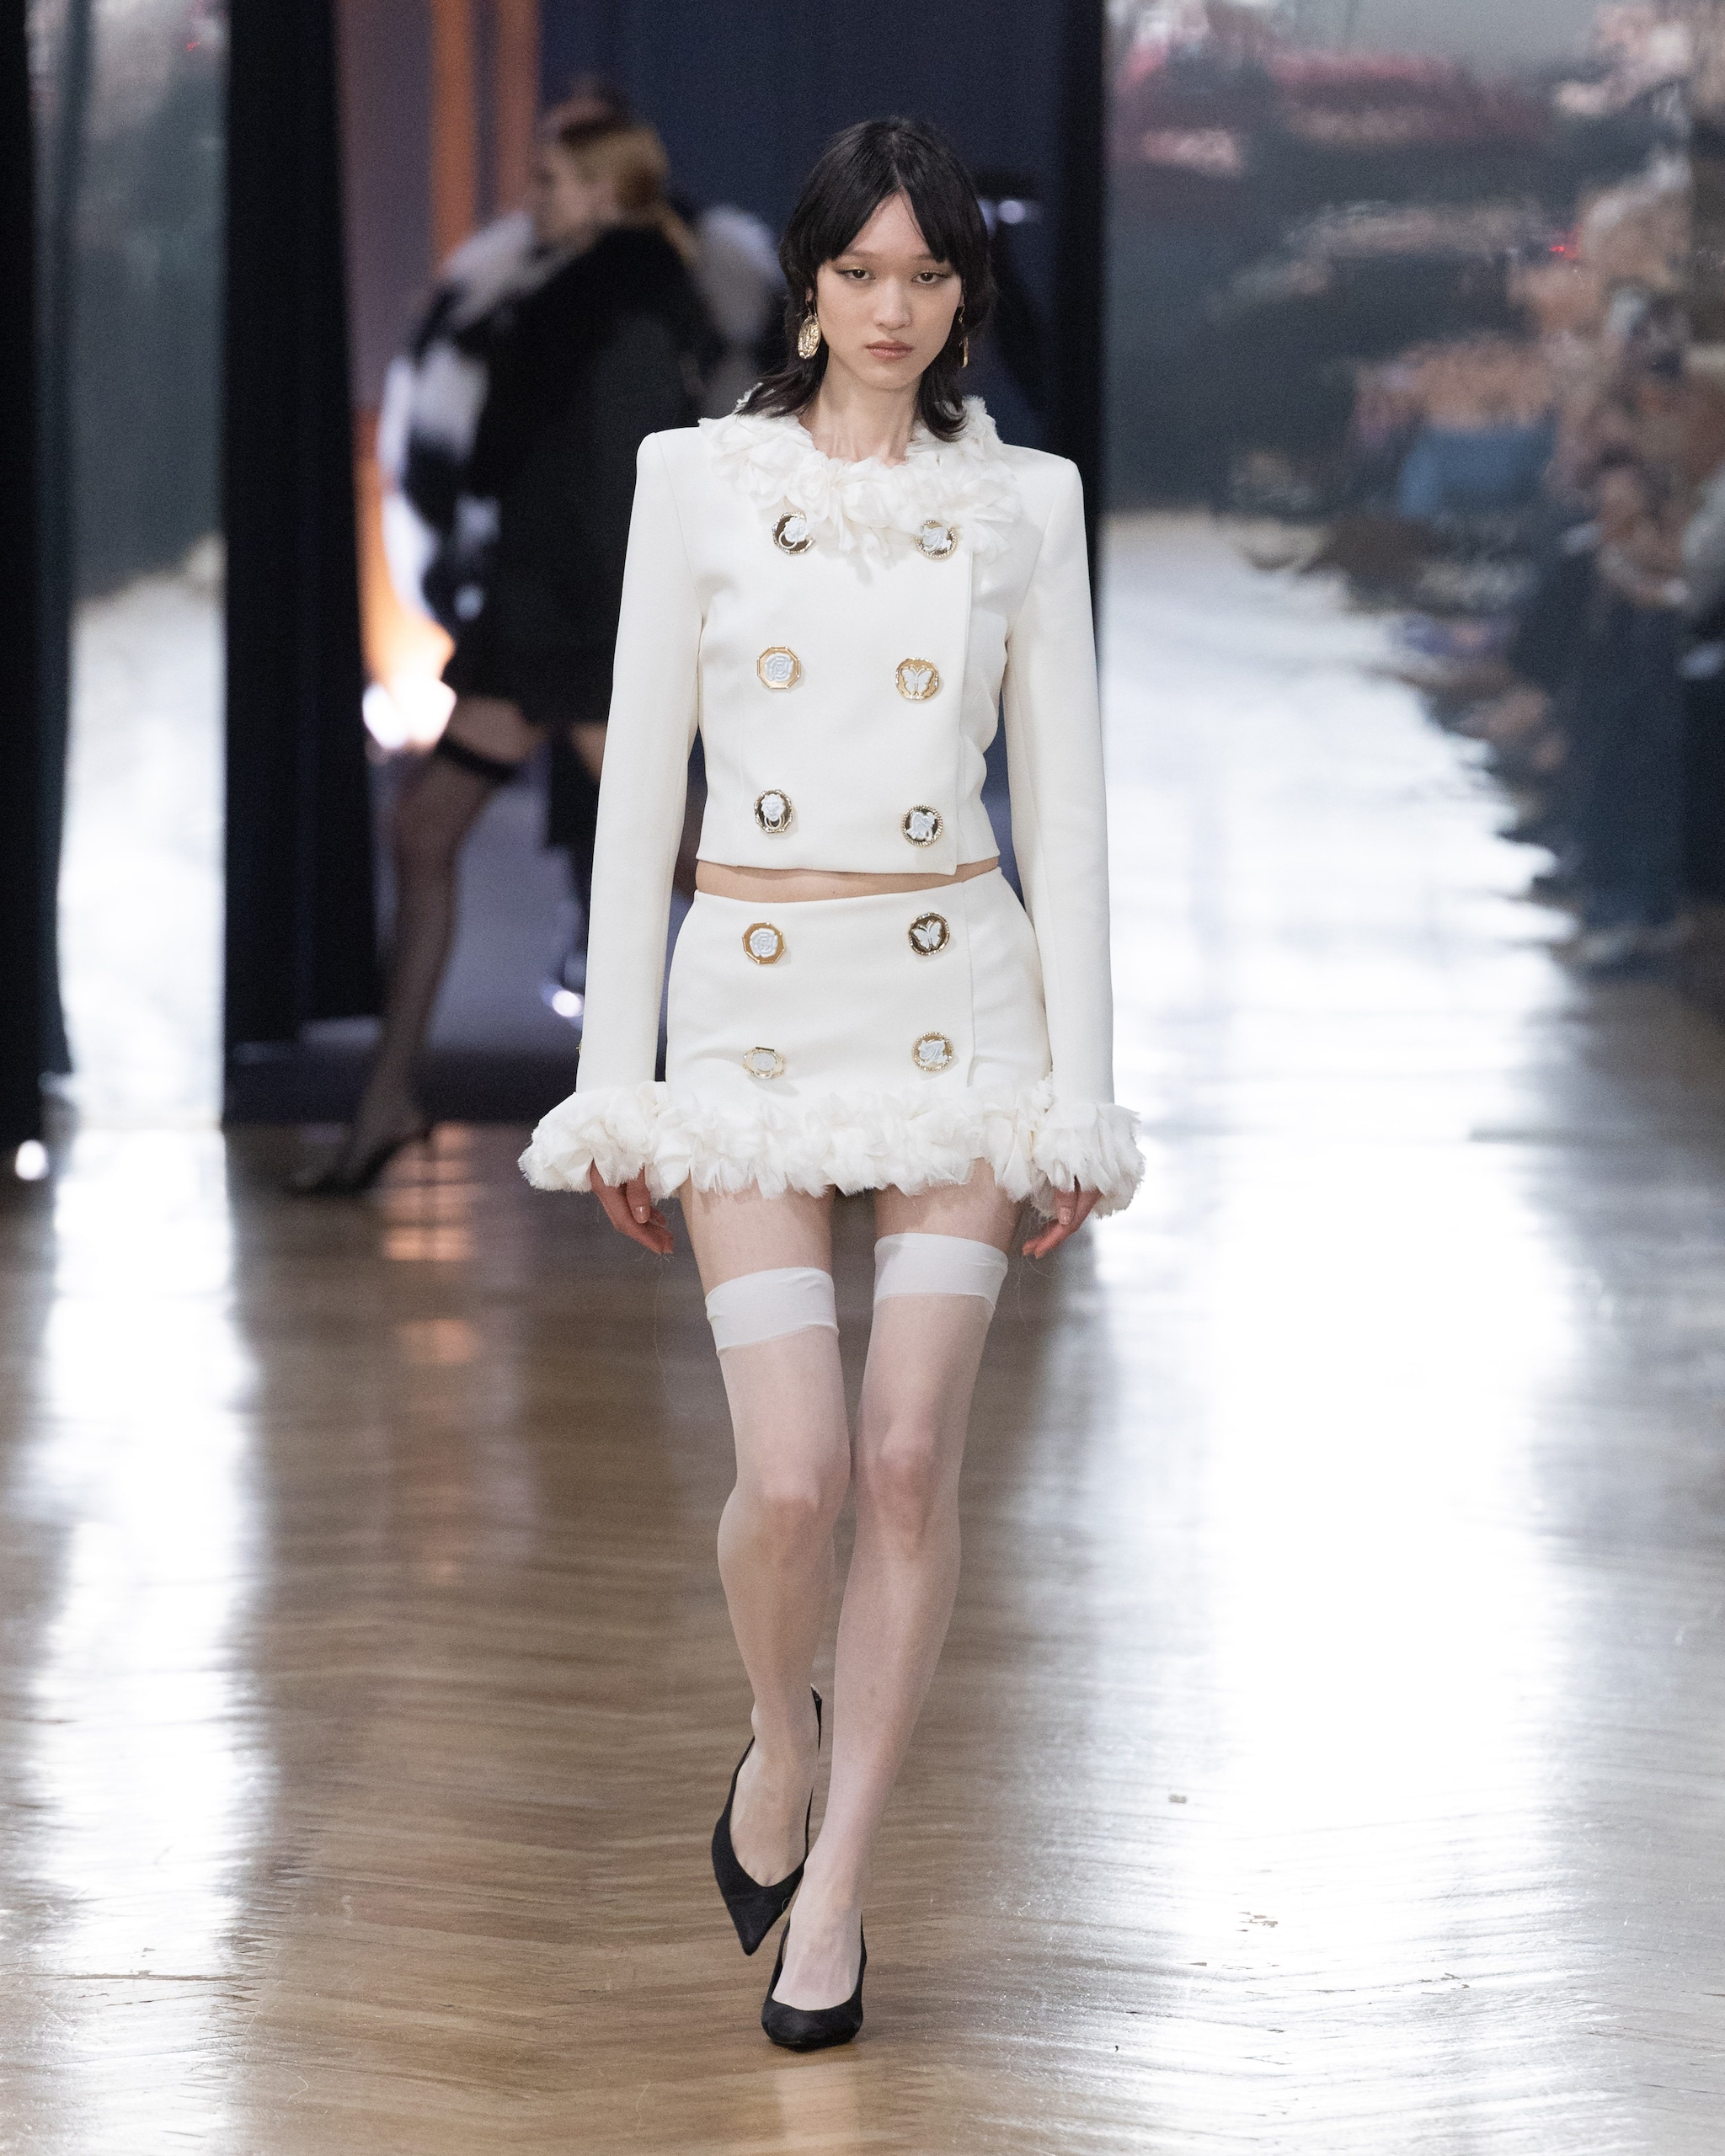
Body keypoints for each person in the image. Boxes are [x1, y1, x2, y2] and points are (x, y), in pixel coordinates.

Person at [520, 119, 1142, 2047]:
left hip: (961, 1003)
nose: (891, 309)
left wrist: (1083, 1097)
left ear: (965, 294)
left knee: (902, 1458)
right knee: (789, 1477)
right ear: (803, 282)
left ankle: (841, 1887)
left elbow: (1067, 811)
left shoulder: (1023, 503)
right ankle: (776, 1737)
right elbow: (638, 791)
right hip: (753, 1015)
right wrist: (614, 1084)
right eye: (860, 272)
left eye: (926, 275)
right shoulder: (694, 482)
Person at [302, 115, 709, 1192]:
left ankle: (823, 1089)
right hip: (542, 627)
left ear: (606, 192)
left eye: (551, 179)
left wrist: (609, 640)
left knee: (697, 864)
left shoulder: (623, 305)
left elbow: (624, 494)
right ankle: (389, 1100)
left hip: (579, 629)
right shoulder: (581, 295)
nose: (532, 196)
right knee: (427, 828)